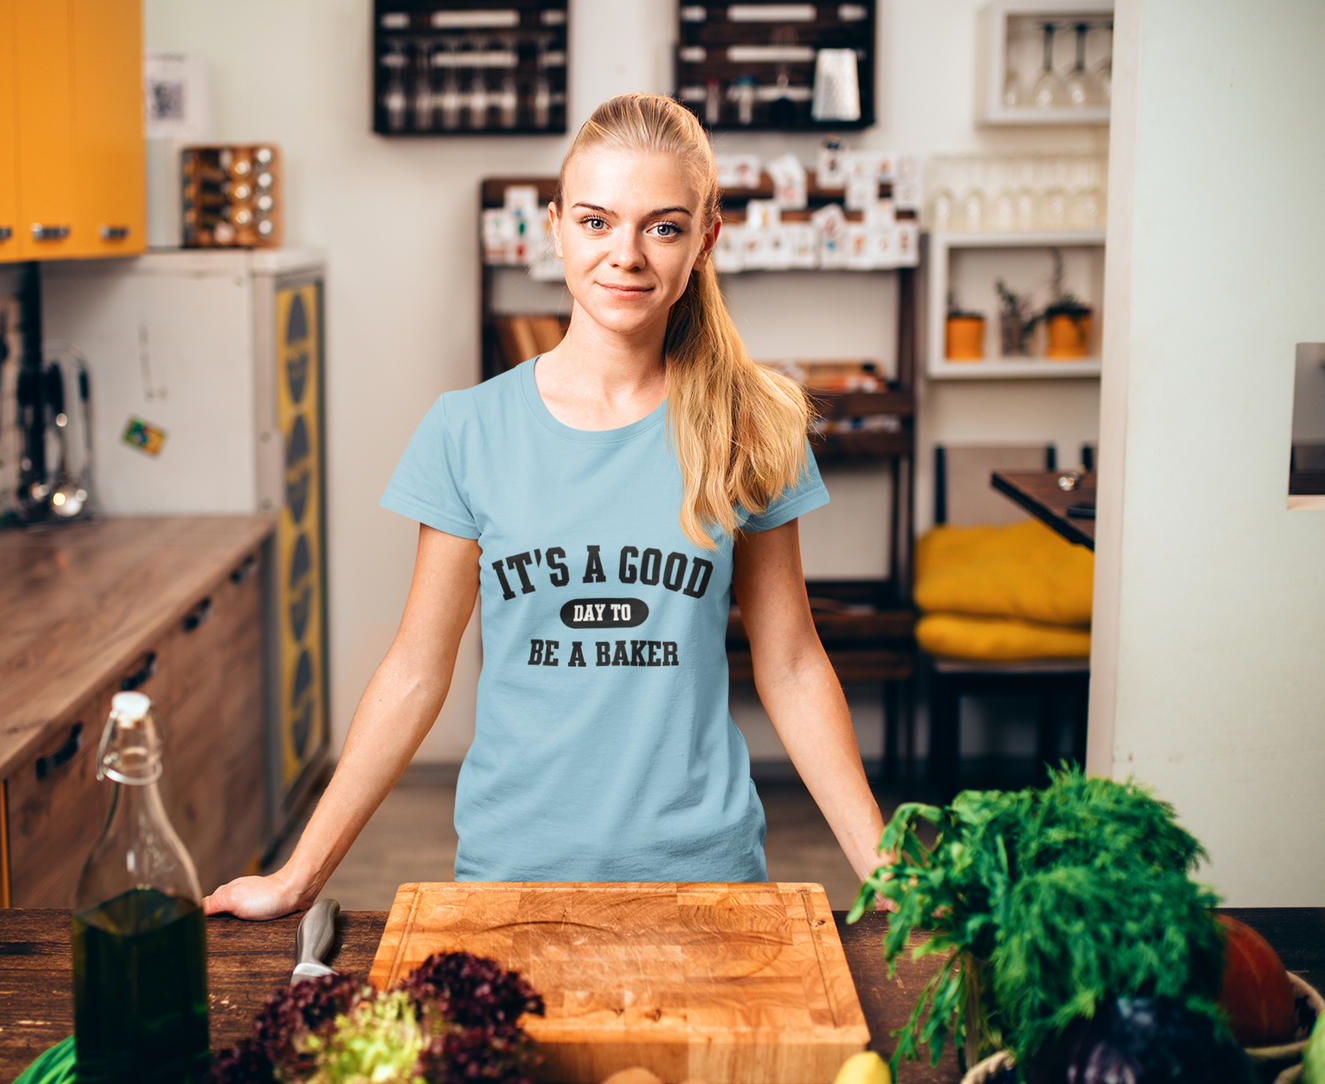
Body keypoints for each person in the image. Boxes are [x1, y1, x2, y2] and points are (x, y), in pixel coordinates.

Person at [205, 93, 887, 920]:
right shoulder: (467, 430)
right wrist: (297, 877)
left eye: (662, 227)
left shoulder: (751, 423)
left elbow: (790, 664)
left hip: (705, 880)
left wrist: (887, 873)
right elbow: (417, 671)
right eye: (597, 223)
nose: (625, 255)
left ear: (705, 241)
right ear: (554, 229)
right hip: (513, 880)